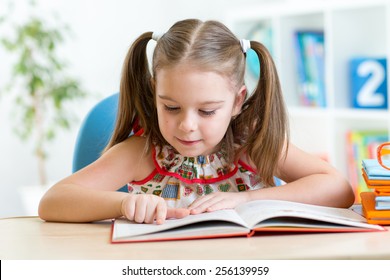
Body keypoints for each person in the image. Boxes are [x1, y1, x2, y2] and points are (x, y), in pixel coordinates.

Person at [38, 19, 355, 224]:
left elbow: (339, 189)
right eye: (172, 107)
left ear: (236, 101)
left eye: (207, 111)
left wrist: (246, 198)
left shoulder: (252, 144)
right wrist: (124, 204)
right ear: (154, 94)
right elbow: (54, 201)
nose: (187, 125)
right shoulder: (142, 152)